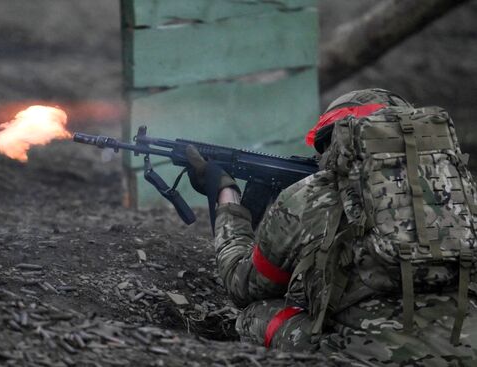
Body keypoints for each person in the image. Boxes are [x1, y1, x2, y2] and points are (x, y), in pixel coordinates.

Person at [186, 89, 477, 366]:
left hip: (370, 356)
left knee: (254, 315)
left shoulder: (310, 196)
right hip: (468, 348)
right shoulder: (463, 194)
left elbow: (242, 284)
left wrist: (226, 195)